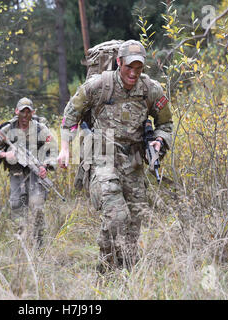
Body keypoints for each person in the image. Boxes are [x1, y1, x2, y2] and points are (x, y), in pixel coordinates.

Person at [57, 40, 174, 271]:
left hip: (134, 163)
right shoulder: (100, 85)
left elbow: (166, 123)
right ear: (119, 62)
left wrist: (159, 141)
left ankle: (127, 273)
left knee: (134, 221)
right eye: (129, 67)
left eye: (138, 68)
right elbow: (71, 113)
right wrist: (65, 149)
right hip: (103, 158)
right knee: (117, 215)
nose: (133, 73)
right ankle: (106, 268)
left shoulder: (150, 90)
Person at [0, 97, 57, 248]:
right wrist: (6, 155)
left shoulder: (40, 129)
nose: (25, 116)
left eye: (28, 112)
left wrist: (45, 165)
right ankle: (20, 243)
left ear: (33, 112)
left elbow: (52, 149)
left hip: (36, 173)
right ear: (16, 111)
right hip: (17, 173)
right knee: (17, 205)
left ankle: (39, 244)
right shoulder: (7, 129)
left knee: (37, 207)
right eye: (22, 112)